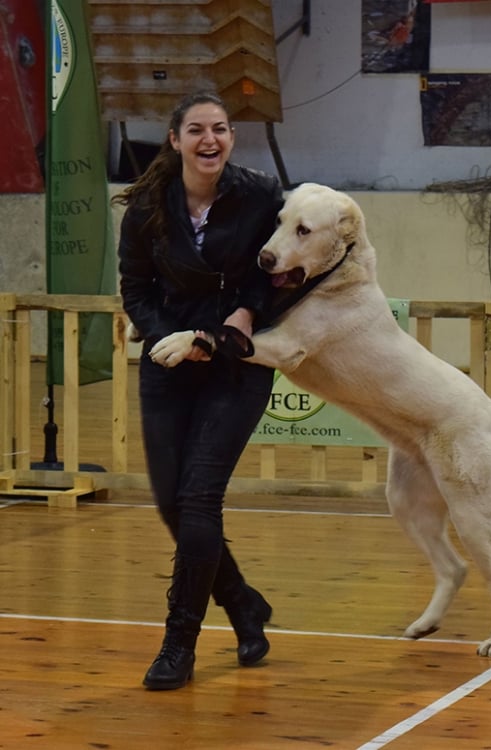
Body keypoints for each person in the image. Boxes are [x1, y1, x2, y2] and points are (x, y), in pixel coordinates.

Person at [114, 90, 284, 690]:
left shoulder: (262, 194)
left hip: (237, 365)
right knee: (171, 503)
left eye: (220, 129)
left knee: (199, 498)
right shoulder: (146, 205)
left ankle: (178, 644)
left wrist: (244, 314)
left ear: (231, 137)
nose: (209, 140)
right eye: (196, 130)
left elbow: (282, 274)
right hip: (168, 362)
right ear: (175, 139)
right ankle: (242, 604)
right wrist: (175, 339)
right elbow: (135, 288)